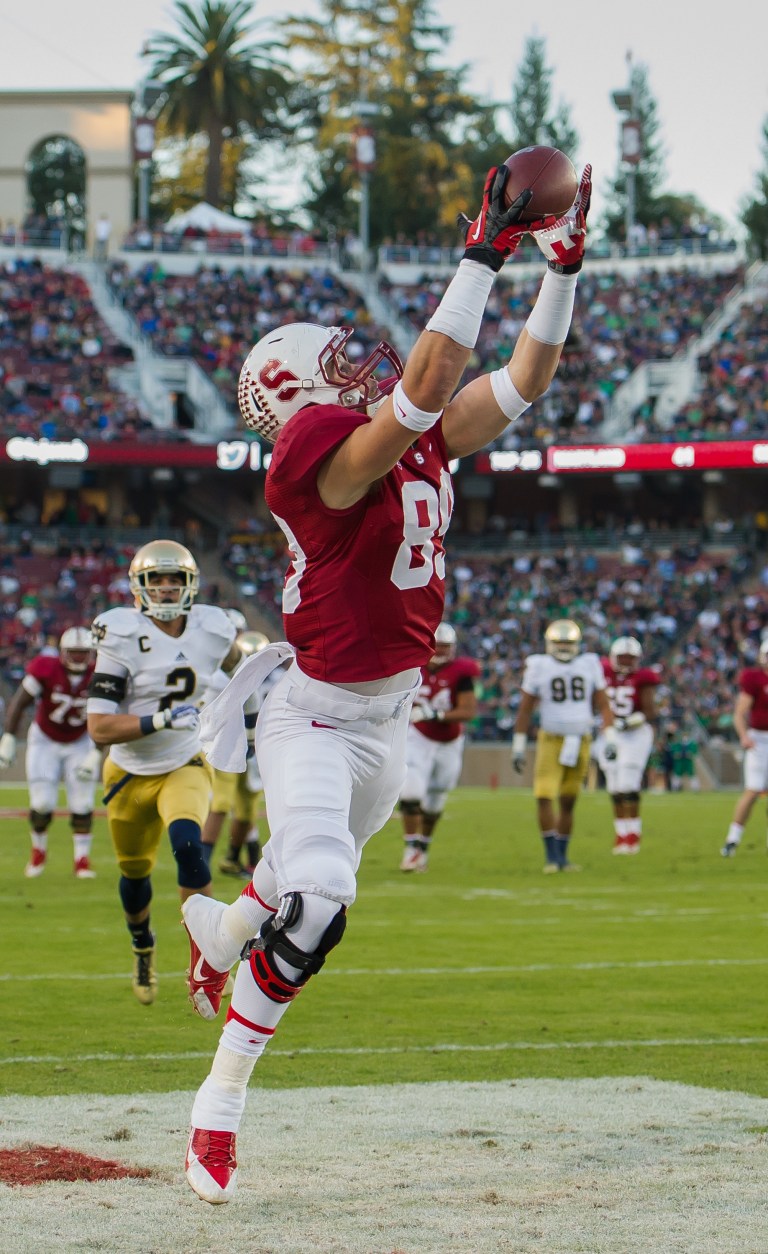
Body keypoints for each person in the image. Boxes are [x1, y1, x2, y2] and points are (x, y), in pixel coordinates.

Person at [180, 158, 593, 1204]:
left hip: (386, 721)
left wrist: (563, 271)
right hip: (310, 715)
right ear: (298, 396)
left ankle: (218, 934)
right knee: (321, 901)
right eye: (335, 364)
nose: (356, 367)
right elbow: (418, 390)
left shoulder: (406, 446)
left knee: (287, 872)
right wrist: (481, 252)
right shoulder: (319, 457)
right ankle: (218, 1109)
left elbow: (524, 381)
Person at [86, 540, 241, 1006]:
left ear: (190, 584)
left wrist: (247, 716)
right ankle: (142, 947)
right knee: (135, 874)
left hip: (184, 762)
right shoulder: (120, 635)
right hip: (130, 772)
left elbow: (241, 670)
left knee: (190, 847)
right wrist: (159, 719)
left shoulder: (213, 628)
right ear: (141, 586)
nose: (168, 588)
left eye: (176, 579)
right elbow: (98, 727)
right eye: (158, 579)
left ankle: (208, 960)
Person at [511, 620, 616, 872]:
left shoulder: (589, 664)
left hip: (580, 739)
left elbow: (603, 703)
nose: (564, 648)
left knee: (569, 800)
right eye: (560, 643)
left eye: (568, 643)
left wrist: (610, 737)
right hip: (551, 738)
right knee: (544, 795)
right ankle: (551, 856)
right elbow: (526, 709)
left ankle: (562, 856)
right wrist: (518, 744)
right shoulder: (539, 665)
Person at [0, 627, 101, 878]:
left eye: (83, 653)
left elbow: (108, 715)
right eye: (74, 653)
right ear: (63, 652)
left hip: (81, 740)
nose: (78, 658)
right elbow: (20, 702)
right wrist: (9, 736)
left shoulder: (100, 674)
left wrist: (98, 751)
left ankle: (82, 859)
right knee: (42, 803)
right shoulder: (45, 667)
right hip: (45, 738)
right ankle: (38, 851)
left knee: (83, 802)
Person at [398, 622, 480, 872]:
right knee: (410, 793)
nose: (442, 652)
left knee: (436, 798)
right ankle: (411, 849)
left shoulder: (462, 671)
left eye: (447, 647)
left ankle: (422, 847)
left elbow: (468, 711)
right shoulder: (411, 665)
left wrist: (435, 714)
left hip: (449, 742)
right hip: (418, 737)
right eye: (438, 646)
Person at [200, 627, 273, 878]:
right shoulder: (221, 677)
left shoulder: (276, 677)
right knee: (220, 802)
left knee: (247, 809)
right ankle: (201, 862)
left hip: (259, 744)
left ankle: (233, 858)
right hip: (229, 743)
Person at [597, 636, 660, 854]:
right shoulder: (602, 672)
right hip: (610, 733)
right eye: (622, 657)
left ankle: (633, 833)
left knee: (627, 783)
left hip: (635, 734)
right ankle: (621, 833)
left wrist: (630, 721)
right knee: (613, 786)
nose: (625, 662)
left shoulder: (644, 677)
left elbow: (651, 711)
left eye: (629, 658)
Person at [721, 638, 768, 856]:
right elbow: (740, 712)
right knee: (752, 791)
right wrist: (743, 736)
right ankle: (732, 839)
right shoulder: (754, 678)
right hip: (759, 740)